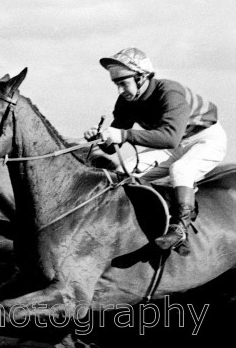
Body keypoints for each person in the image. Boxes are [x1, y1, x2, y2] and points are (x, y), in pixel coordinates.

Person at [84, 47, 227, 253]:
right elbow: (113, 147)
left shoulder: (170, 92)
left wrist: (122, 135)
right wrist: (101, 139)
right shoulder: (127, 101)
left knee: (181, 170)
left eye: (123, 83)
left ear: (141, 78)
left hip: (205, 139)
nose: (120, 91)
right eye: (116, 85)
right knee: (126, 171)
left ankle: (179, 230)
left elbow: (169, 138)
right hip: (177, 143)